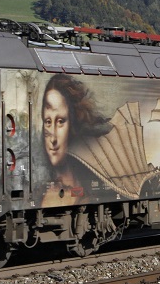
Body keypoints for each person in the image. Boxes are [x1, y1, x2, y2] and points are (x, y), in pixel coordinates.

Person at [39, 73, 110, 207]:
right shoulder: (42, 192)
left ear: (74, 125)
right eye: (48, 121)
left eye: (60, 121)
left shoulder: (87, 191)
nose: (53, 138)